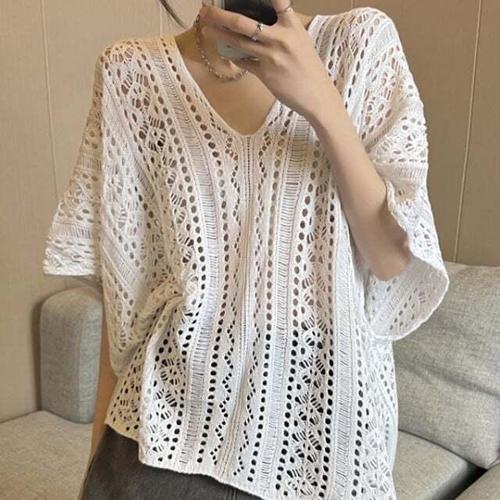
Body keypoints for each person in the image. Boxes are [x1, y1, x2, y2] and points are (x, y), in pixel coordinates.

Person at [42, 1, 450, 499]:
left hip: (322, 447)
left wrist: (321, 100)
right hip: (157, 449)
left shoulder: (361, 43)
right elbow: (125, 300)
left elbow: (390, 261)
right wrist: (93, 468)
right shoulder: (130, 72)